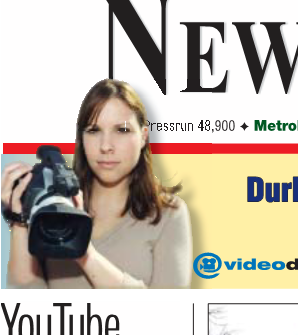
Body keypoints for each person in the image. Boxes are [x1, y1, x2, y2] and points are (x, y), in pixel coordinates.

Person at [2, 79, 191, 289]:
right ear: (81, 138)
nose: (106, 146)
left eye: (122, 130)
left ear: (144, 136)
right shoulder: (53, 202)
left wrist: (85, 253)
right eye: (93, 130)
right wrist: (19, 220)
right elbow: (28, 302)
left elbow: (170, 312)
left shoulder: (168, 213)